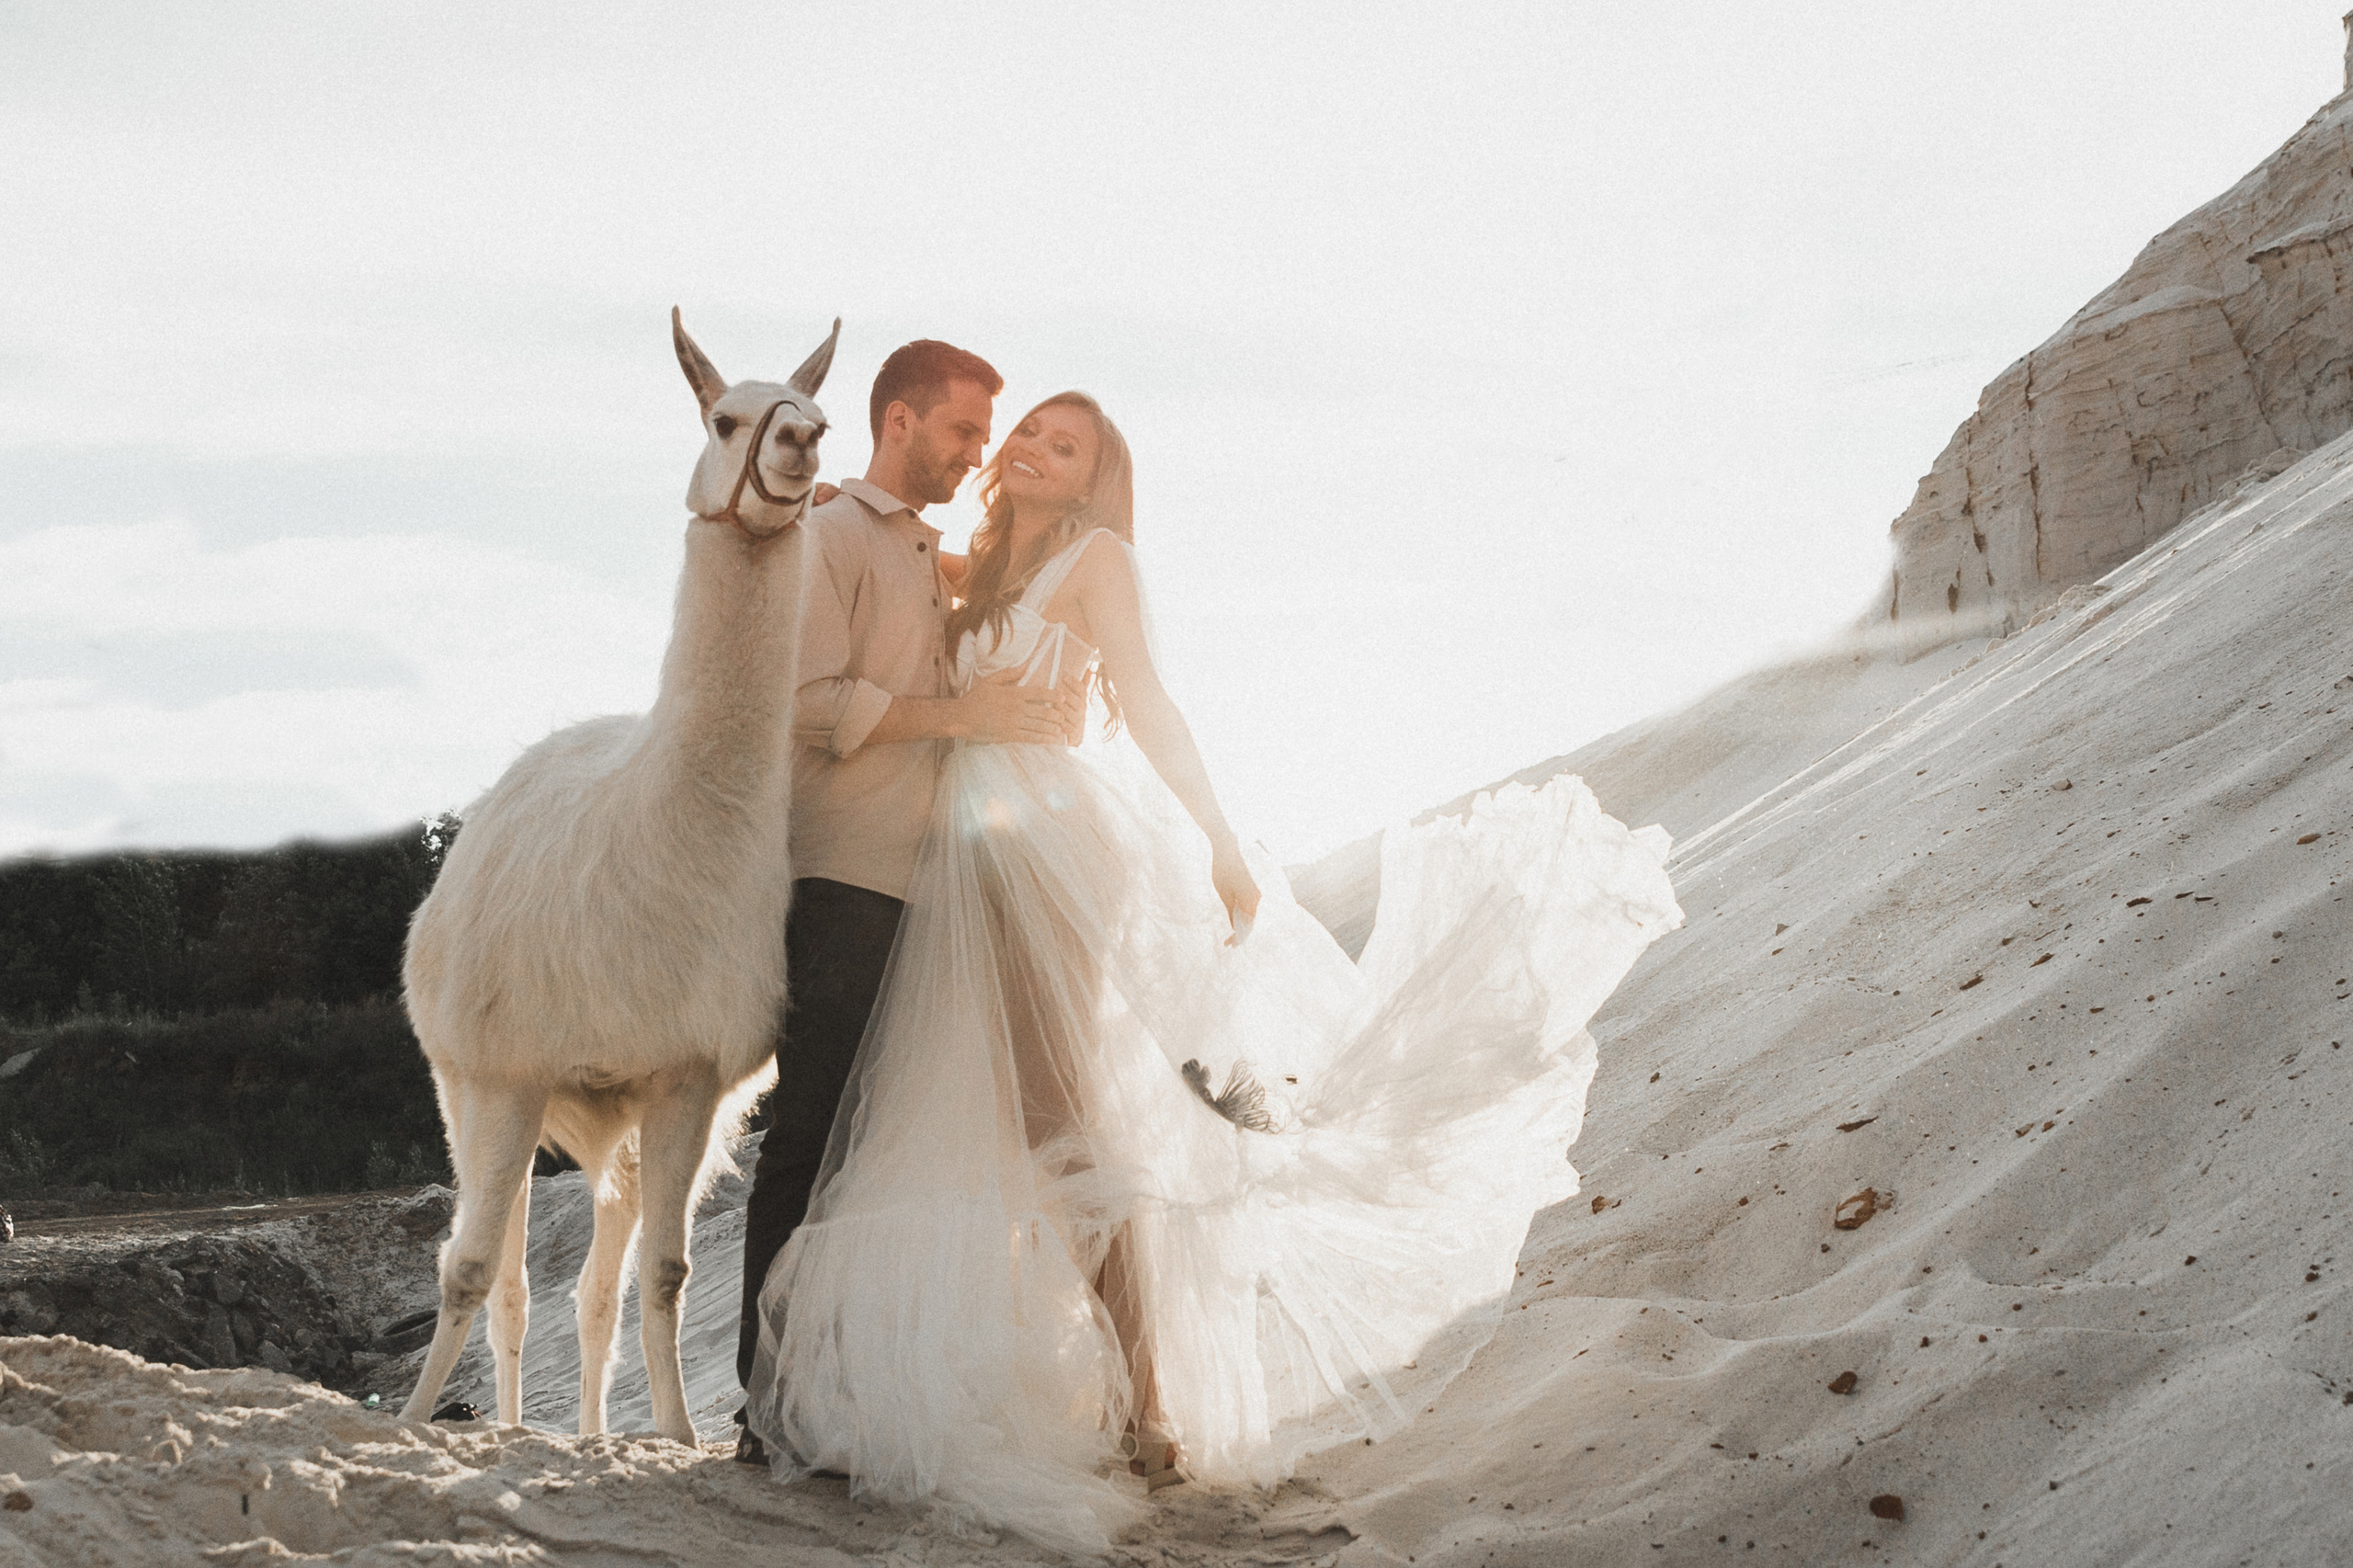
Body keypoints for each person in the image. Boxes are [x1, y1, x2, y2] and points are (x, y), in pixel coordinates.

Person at [745, 392, 1684, 1553]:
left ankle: (1151, 1409)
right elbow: (890, 547)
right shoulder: (976, 561)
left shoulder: (1098, 558)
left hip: (1041, 843)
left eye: (1062, 443)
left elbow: (1144, 699)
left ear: (1094, 479)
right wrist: (841, 495)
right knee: (964, 1112)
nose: (1029, 447)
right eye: (1027, 432)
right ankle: (1060, 1380)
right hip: (960, 858)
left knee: (1052, 1112)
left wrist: (1220, 838)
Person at [733, 341, 1084, 1464]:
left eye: (989, 436)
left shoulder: (920, 549)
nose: (978, 452)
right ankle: (764, 1402)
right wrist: (961, 719)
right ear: (897, 419)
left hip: (924, 882)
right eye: (963, 431)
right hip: (842, 869)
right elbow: (803, 700)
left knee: (865, 1145)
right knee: (809, 1131)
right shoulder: (830, 536)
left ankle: (829, 1391)